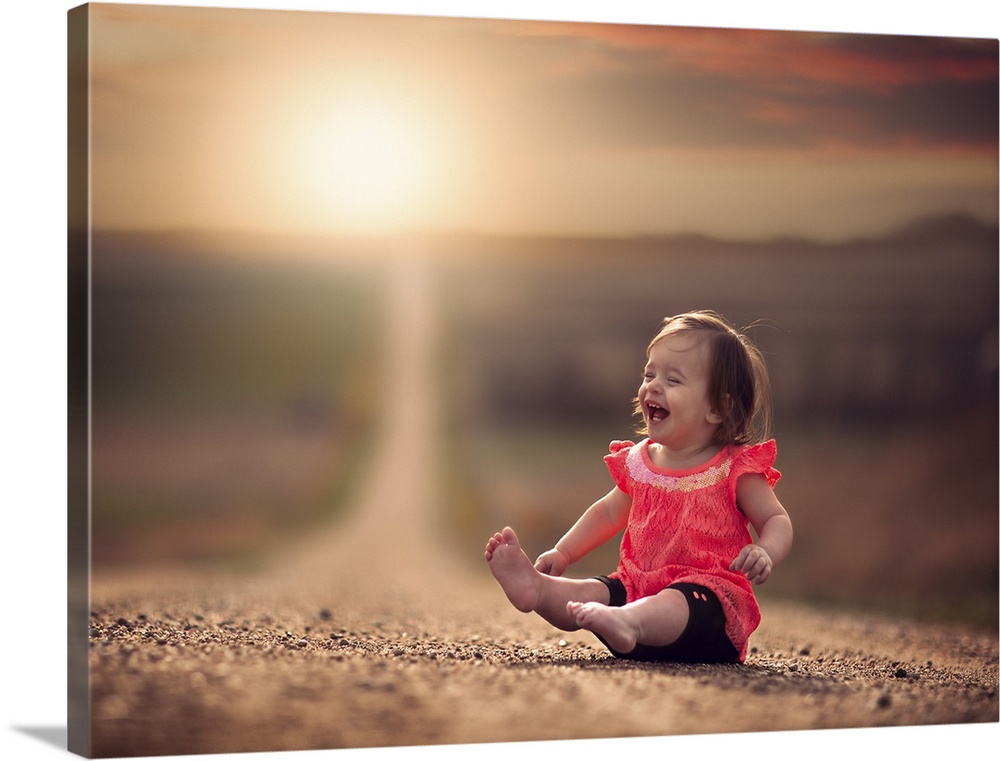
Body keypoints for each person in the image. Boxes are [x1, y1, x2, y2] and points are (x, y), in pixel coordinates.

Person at [484, 310, 793, 664]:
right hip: (635, 594)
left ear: (717, 408)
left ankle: (629, 621)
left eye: (673, 380)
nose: (653, 386)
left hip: (708, 614)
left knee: (681, 597)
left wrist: (766, 550)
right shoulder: (639, 463)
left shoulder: (733, 468)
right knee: (598, 590)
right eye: (649, 374)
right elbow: (607, 512)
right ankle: (538, 591)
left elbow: (775, 519)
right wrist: (564, 552)